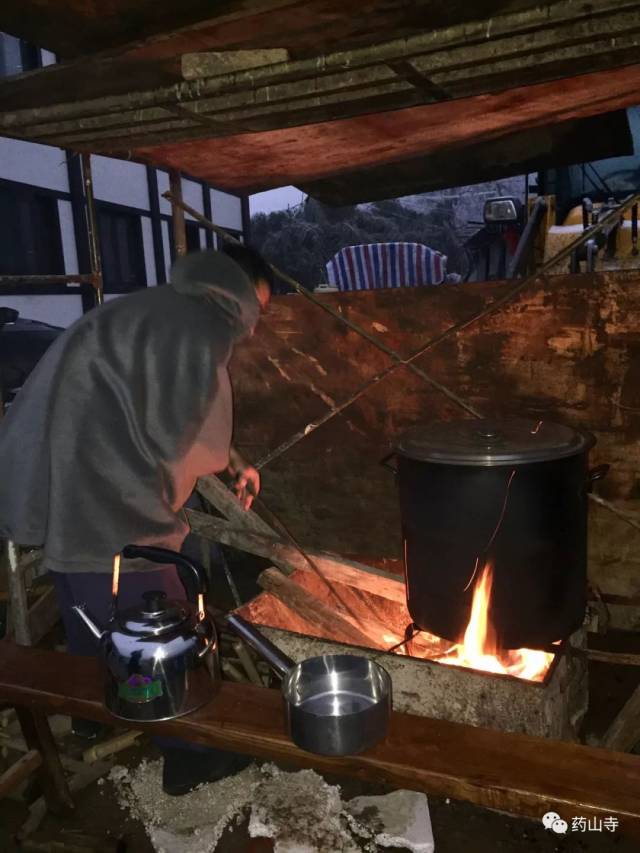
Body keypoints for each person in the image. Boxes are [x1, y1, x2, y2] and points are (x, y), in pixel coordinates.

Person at [0, 243, 273, 794]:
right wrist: (216, 464)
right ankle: (188, 752)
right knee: (155, 613)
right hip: (107, 487)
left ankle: (90, 710)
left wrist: (232, 458)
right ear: (242, 291)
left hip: (62, 475)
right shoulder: (204, 323)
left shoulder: (150, 306)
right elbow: (178, 429)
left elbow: (150, 400)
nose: (254, 325)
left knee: (87, 601)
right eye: (259, 308)